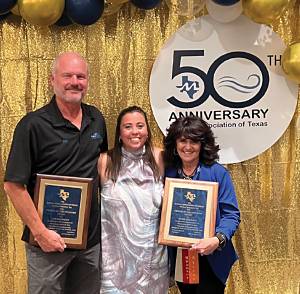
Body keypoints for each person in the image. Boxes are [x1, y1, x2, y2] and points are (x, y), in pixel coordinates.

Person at [4, 52, 108, 294]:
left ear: (88, 81)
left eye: (80, 76)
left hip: (90, 243)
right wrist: (40, 233)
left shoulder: (96, 119)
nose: (75, 81)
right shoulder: (32, 125)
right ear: (52, 80)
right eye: (67, 75)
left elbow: (102, 169)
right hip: (46, 245)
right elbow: (13, 185)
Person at [163, 116, 240, 294]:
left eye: (194, 141)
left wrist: (217, 239)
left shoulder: (217, 172)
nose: (188, 147)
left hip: (212, 256)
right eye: (182, 140)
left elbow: (231, 215)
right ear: (175, 143)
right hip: (181, 256)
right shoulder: (168, 173)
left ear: (202, 144)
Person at [98, 106, 169, 293]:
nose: (135, 131)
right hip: (115, 264)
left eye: (140, 125)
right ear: (120, 133)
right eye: (128, 127)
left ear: (147, 130)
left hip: (152, 262)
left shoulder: (161, 158)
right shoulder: (105, 161)